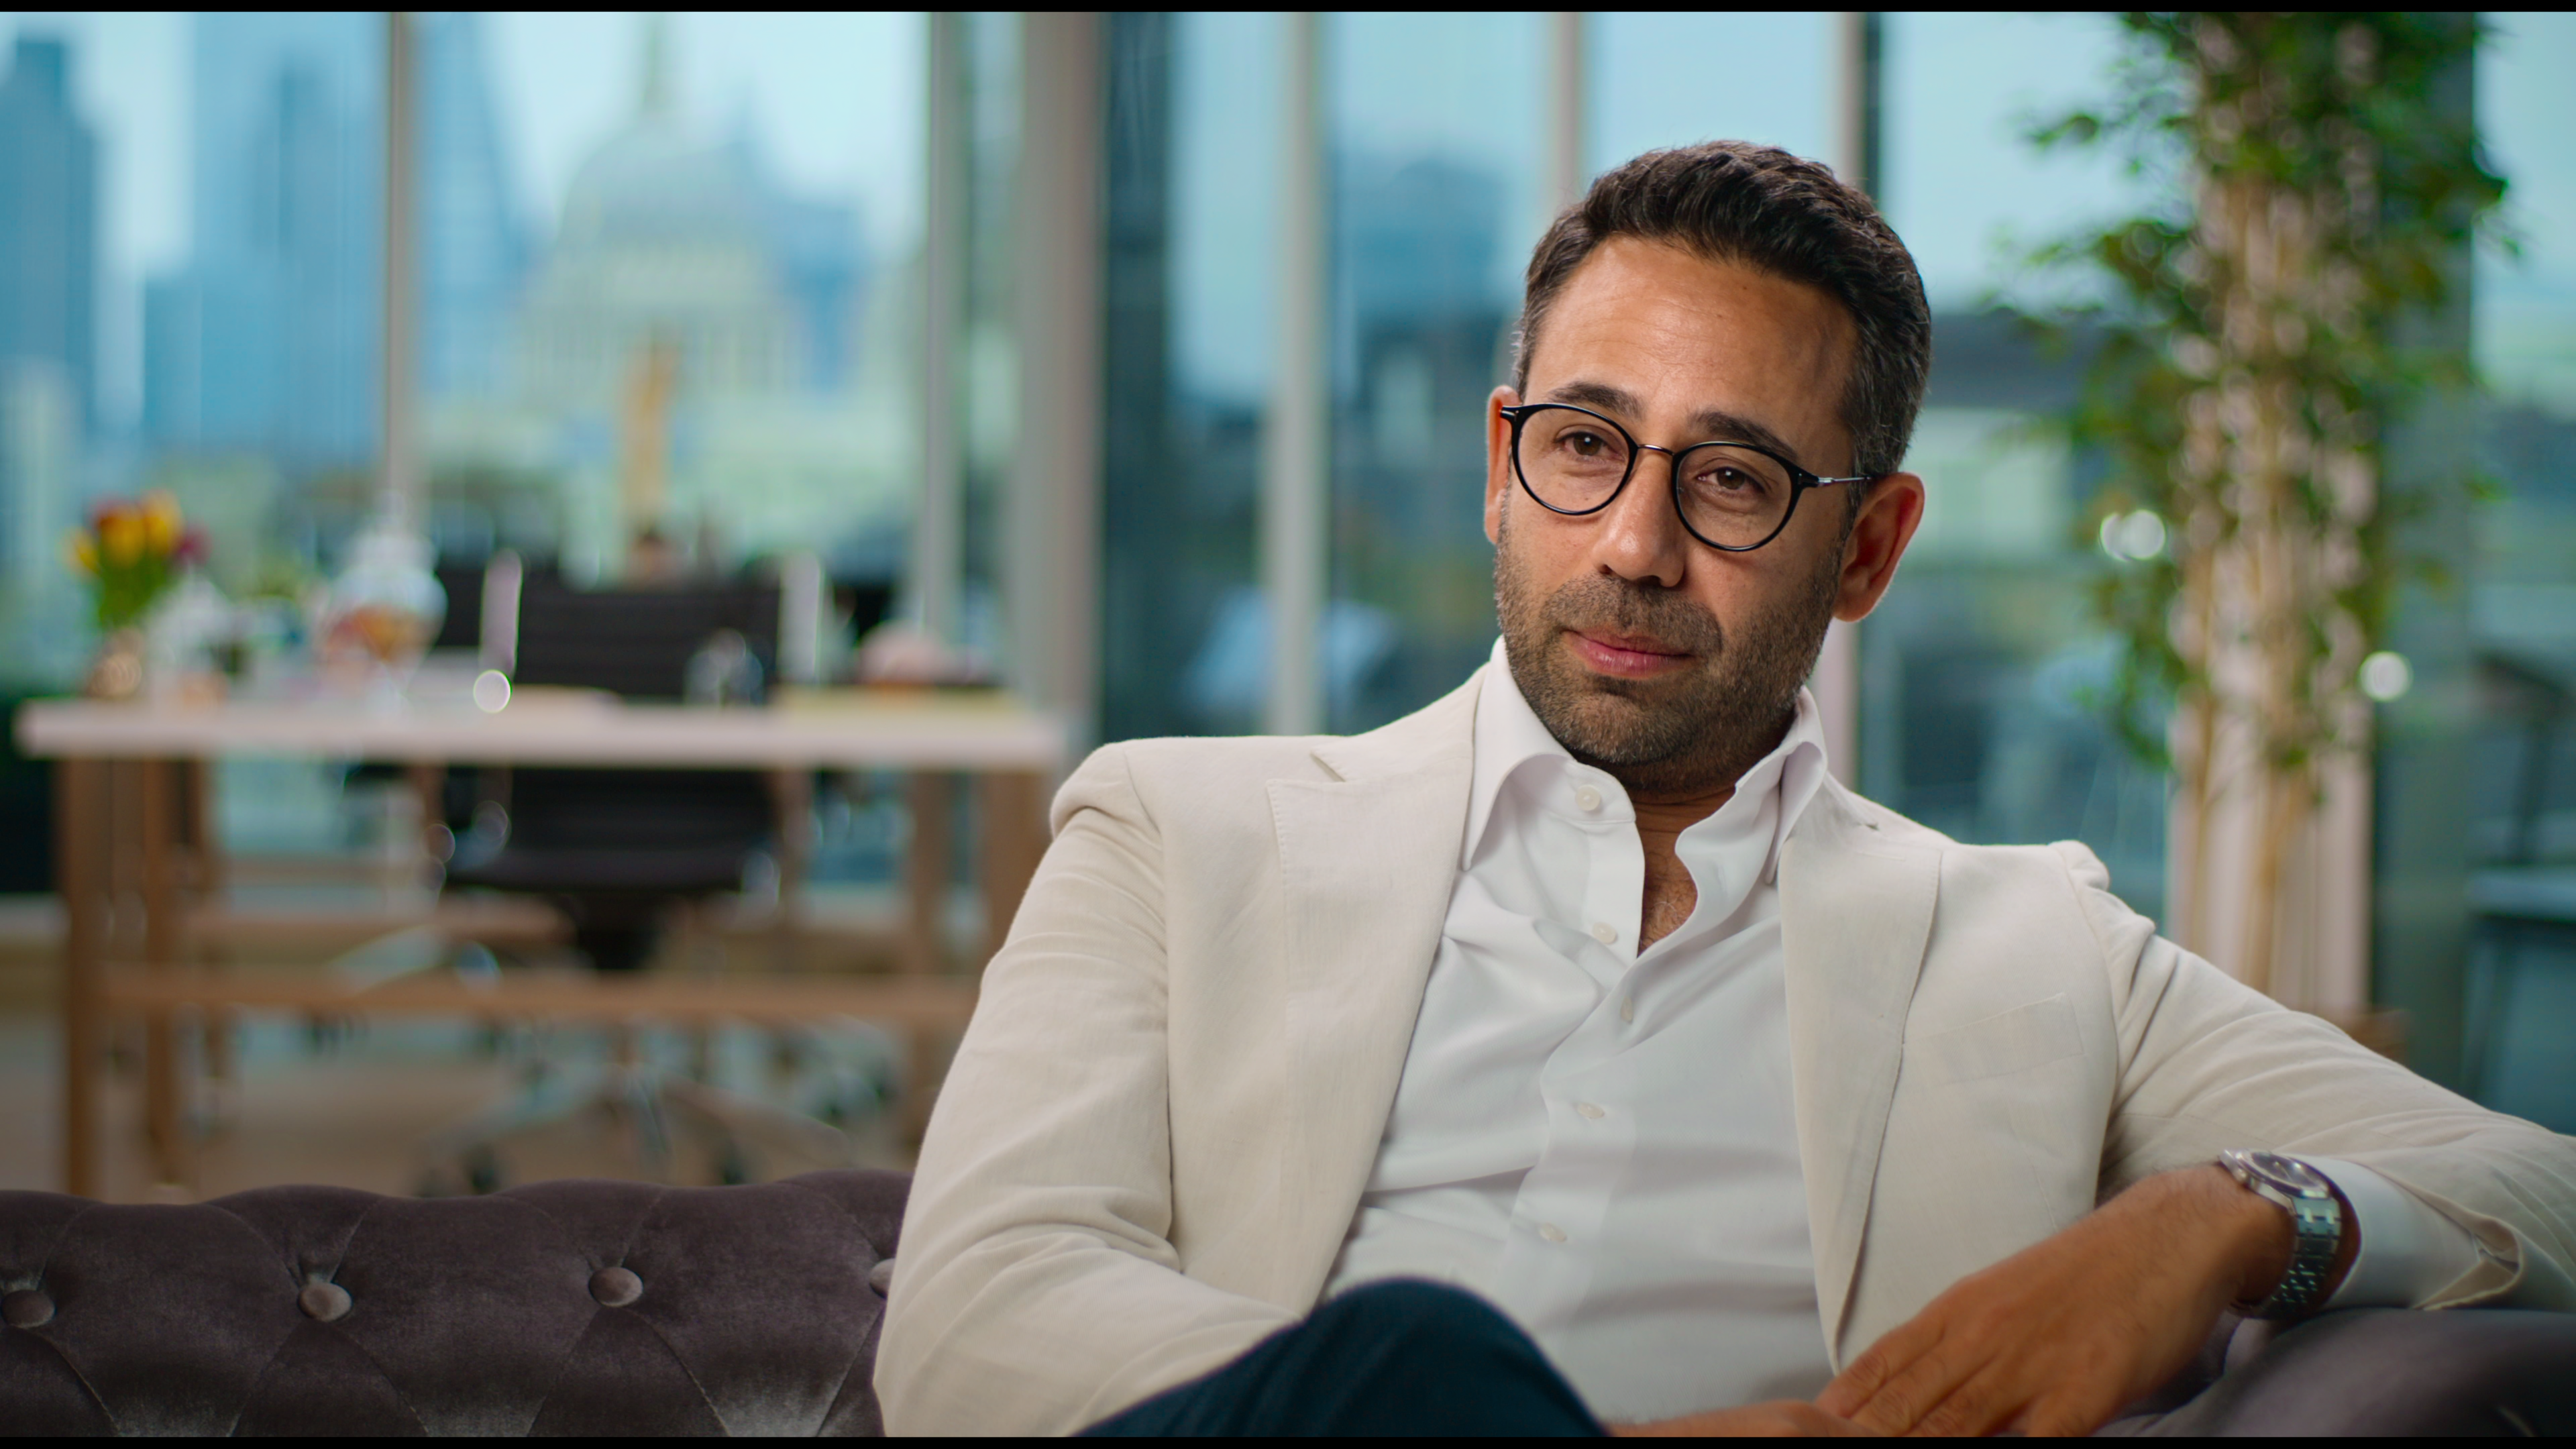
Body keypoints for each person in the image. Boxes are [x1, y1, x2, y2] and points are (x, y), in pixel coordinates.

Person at [876, 142, 2576, 1437]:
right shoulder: (1179, 836)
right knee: (1416, 1356)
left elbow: (2548, 1193)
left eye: (1736, 480)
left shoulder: (2031, 945)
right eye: (1585, 445)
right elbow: (975, 1323)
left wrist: (2227, 1216)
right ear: (1500, 464)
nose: (1632, 543)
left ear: (1871, 550)